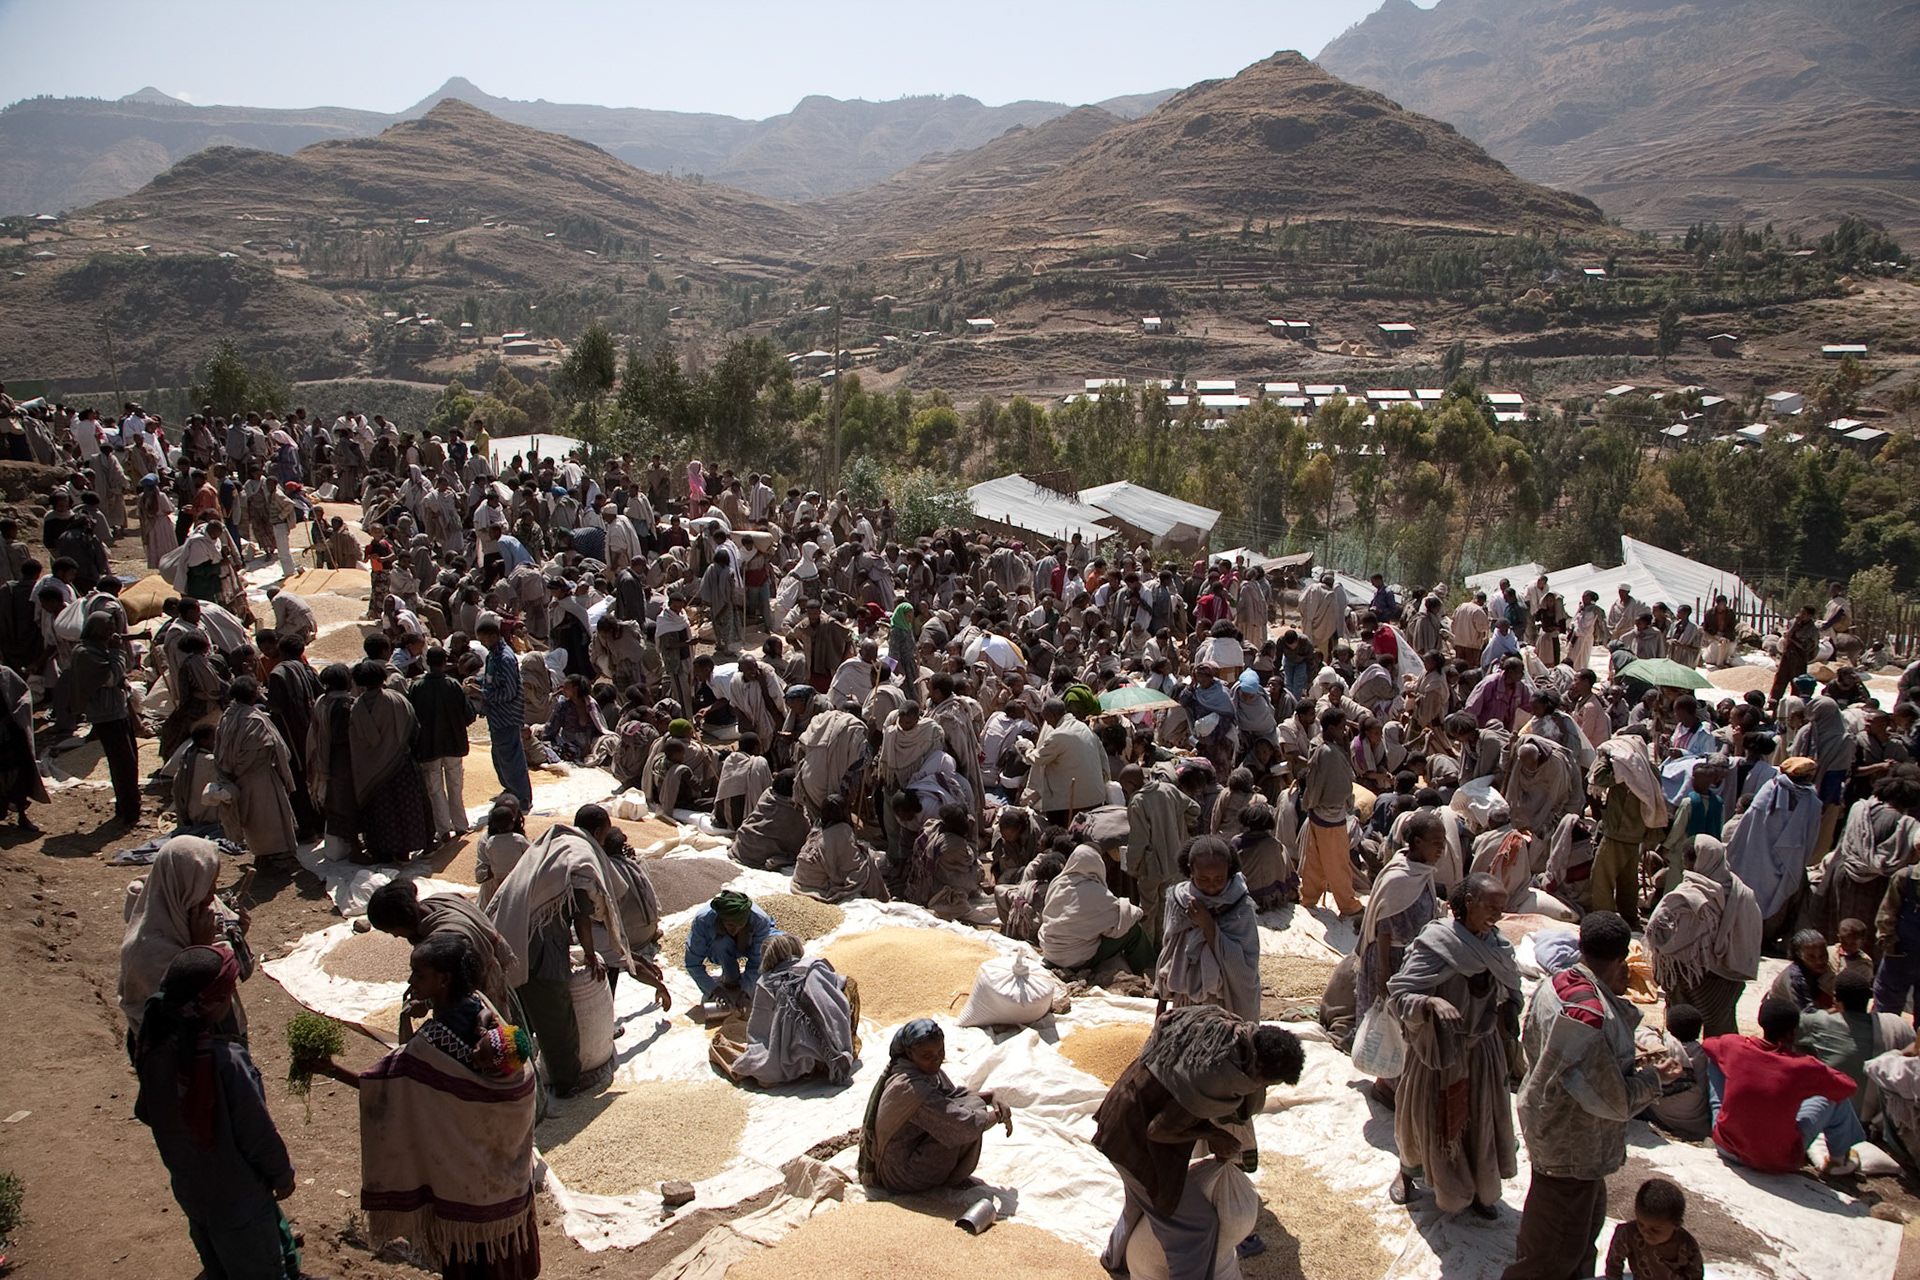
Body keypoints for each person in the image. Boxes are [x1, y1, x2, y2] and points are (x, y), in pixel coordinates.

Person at [313, 933, 541, 1280]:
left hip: (465, 1182)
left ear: (443, 980)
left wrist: (331, 1069)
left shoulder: (431, 1042)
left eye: (419, 975)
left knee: (474, 1264)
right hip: (506, 1176)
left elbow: (390, 1083)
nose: (411, 981)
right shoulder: (481, 1006)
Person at [1506, 912, 1675, 1280]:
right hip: (1573, 1148)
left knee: (1578, 1238)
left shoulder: (1556, 984)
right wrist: (1653, 1079)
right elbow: (1614, 1102)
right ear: (1621, 959)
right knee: (1552, 1255)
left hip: (1556, 1131)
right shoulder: (1590, 1018)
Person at [1093, 1005, 1305, 1277]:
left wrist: (1210, 1132)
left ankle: (1115, 1262)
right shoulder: (1214, 1077)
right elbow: (1158, 1131)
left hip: (1122, 1114)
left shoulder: (1230, 1031)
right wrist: (1212, 1134)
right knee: (1196, 1227)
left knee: (1139, 1202)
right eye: (1266, 1083)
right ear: (1260, 1066)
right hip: (1133, 1137)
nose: (1262, 1088)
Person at [132, 945, 299, 1280]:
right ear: (216, 1002)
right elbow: (257, 1133)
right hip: (240, 1201)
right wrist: (282, 1176)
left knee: (218, 1266)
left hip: (193, 1194)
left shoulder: (154, 1046)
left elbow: (147, 1112)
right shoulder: (225, 1061)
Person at [1385, 872, 1521, 1217]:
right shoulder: (1437, 942)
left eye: (1502, 908)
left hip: (1482, 1049)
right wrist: (1429, 1003)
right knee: (1424, 1119)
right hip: (1439, 1052)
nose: (1497, 915)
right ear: (1469, 902)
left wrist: (1511, 1008)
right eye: (1491, 906)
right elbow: (1401, 993)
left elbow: (1511, 986)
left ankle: (1476, 1186)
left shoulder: (1497, 946)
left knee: (1480, 1119)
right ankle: (1408, 1173)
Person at [485, 808, 637, 1097]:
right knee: (556, 1016)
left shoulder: (556, 843)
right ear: (597, 832)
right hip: (537, 941)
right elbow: (581, 913)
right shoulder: (579, 854)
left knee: (520, 1011)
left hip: (511, 930)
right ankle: (567, 1083)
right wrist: (590, 954)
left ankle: (515, 1075)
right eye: (604, 834)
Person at [1705, 997, 1866, 1176]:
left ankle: (1722, 1118)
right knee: (1834, 1097)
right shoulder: (1804, 1067)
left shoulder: (1733, 1046)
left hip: (1727, 1148)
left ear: (1761, 1022)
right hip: (1777, 1161)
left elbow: (1707, 1044)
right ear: (1793, 1031)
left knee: (1715, 1061)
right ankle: (1838, 1160)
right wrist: (1819, 1072)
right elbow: (1848, 1087)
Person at [118, 835, 249, 1049]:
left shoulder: (193, 909)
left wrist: (237, 934)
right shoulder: (147, 952)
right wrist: (200, 950)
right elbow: (190, 1008)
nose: (212, 896)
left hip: (222, 1036)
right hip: (180, 1053)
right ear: (183, 888)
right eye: (206, 887)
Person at [858, 1018, 1013, 1193]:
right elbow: (961, 1124)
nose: (936, 1060)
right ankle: (951, 1179)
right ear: (910, 1053)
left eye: (940, 1052)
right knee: (961, 1124)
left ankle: (948, 1174)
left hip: (908, 1152)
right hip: (899, 1174)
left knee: (972, 1106)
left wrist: (991, 1096)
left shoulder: (922, 1070)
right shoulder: (912, 1088)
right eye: (927, 1056)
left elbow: (951, 1098)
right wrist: (998, 1115)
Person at [1644, 835, 1762, 1038]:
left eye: (1687, 861)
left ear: (1697, 862)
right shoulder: (1743, 893)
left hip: (1689, 976)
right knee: (1721, 1033)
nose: (1686, 867)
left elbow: (1661, 934)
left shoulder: (1689, 893)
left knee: (1682, 1032)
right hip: (1728, 975)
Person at [710, 933, 860, 1088]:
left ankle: (806, 1058)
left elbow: (759, 1031)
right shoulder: (814, 966)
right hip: (835, 1049)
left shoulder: (765, 982)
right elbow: (834, 994)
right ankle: (847, 1043)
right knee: (848, 985)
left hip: (795, 1061)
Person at [366, 878, 517, 1019]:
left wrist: (425, 1003)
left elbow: (459, 987)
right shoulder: (443, 900)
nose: (395, 936)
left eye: (392, 931)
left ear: (402, 921)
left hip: (484, 995)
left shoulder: (448, 939)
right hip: (498, 978)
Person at [1156, 836, 1261, 1021]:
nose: (1212, 885)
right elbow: (1169, 949)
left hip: (1221, 1001)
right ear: (1191, 871)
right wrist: (1162, 1001)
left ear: (1229, 870)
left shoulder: (1240, 906)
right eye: (1203, 879)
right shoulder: (1179, 901)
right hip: (1185, 999)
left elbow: (1246, 966)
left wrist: (1208, 926)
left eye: (1219, 879)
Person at [1797, 967, 1915, 1131]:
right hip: (1884, 1121)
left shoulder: (1821, 1022)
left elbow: (1784, 1023)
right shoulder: (1895, 1024)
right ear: (1868, 999)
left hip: (1835, 1120)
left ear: (1836, 999)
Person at [349, 660, 437, 861]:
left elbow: (356, 742)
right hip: (401, 765)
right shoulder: (396, 700)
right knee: (409, 807)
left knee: (383, 812)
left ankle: (386, 850)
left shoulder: (357, 707)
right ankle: (413, 846)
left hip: (372, 772)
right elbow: (414, 728)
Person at [213, 677, 300, 867]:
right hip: (259, 777)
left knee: (254, 821)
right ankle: (275, 857)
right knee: (268, 819)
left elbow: (220, 750)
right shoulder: (253, 720)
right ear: (252, 694)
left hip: (240, 777)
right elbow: (253, 752)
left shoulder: (227, 716)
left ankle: (263, 854)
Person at [1039, 842, 1154, 976]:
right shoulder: (1094, 891)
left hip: (1050, 951)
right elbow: (1121, 917)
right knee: (1133, 930)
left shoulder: (1057, 883)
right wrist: (1139, 913)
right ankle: (1148, 969)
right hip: (1075, 959)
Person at [1299, 707, 1363, 921]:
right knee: (1337, 863)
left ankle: (1309, 897)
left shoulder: (1321, 747)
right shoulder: (1329, 753)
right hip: (1331, 816)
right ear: (1331, 728)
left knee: (1314, 860)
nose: (1344, 731)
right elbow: (1336, 786)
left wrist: (1311, 805)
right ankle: (1347, 904)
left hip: (1318, 813)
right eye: (1342, 727)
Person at [410, 645, 476, 845]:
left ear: (427, 663)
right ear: (444, 663)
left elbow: (411, 718)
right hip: (454, 744)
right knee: (455, 785)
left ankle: (443, 829)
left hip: (428, 747)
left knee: (435, 789)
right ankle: (460, 825)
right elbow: (469, 715)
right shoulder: (453, 685)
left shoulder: (416, 687)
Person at [470, 613, 532, 810]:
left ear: (494, 636)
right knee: (500, 756)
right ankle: (510, 789)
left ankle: (521, 797)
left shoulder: (505, 658)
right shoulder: (492, 656)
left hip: (507, 715)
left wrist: (481, 693)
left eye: (485, 640)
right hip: (496, 716)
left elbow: (509, 691)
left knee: (511, 758)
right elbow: (491, 679)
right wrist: (477, 681)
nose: (484, 643)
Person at [684, 889, 781, 1013]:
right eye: (730, 925)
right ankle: (730, 977)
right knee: (721, 944)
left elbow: (757, 961)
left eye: (739, 925)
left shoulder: (760, 920)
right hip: (719, 948)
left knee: (778, 943)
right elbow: (692, 963)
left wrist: (746, 991)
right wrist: (714, 991)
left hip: (747, 943)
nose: (734, 930)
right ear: (721, 919)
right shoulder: (703, 920)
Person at [790, 794, 890, 903]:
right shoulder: (842, 830)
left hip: (801, 879)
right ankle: (879, 896)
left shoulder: (818, 824)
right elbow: (852, 865)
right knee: (867, 863)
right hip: (818, 885)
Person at [1604, 1177, 1703, 1280]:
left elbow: (1696, 1277)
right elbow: (1613, 1267)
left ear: (1676, 1225)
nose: (1646, 1233)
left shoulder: (1687, 1246)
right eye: (1641, 1224)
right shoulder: (1628, 1234)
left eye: (1655, 1229)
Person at [1644, 1004, 1713, 1140]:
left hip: (1658, 1115)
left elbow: (1641, 1031)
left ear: (1668, 1026)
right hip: (1694, 1122)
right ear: (1699, 1029)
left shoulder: (1659, 1047)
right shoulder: (1705, 1056)